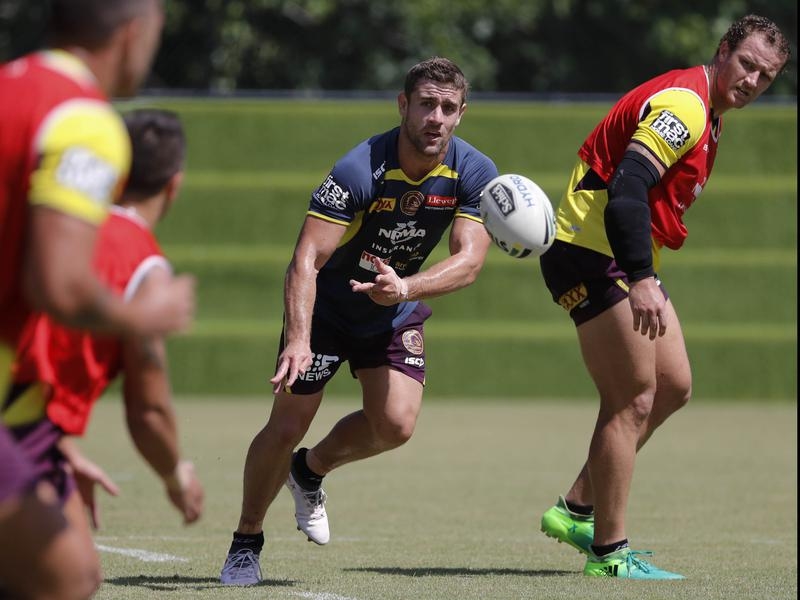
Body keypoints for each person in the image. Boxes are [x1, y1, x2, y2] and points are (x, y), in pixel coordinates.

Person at [219, 56, 499, 586]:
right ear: (403, 105)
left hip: (393, 306)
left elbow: (469, 262)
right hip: (326, 310)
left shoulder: (474, 171)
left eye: (448, 108)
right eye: (426, 104)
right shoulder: (358, 169)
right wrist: (298, 338)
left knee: (395, 425)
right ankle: (246, 541)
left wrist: (405, 289)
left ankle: (309, 470)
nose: (436, 118)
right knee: (286, 425)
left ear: (461, 113)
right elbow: (306, 259)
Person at [537, 15, 790, 579]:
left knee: (672, 385)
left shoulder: (709, 111)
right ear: (723, 51)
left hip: (614, 254)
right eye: (747, 64)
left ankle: (577, 508)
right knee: (632, 398)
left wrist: (640, 271)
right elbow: (628, 186)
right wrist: (641, 277)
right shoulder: (687, 105)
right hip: (591, 251)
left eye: (766, 76)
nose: (752, 80)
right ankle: (609, 553)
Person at [0, 1, 194, 598]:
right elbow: (58, 284)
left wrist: (48, 442)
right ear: (133, 33)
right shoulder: (83, 119)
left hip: (20, 409)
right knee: (66, 579)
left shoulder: (10, 85)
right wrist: (144, 315)